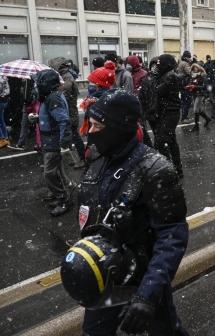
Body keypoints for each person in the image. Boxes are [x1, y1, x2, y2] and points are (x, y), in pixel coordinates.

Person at [75, 90, 189, 336]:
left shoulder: (156, 169)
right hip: (105, 274)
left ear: (117, 128)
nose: (89, 132)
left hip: (144, 277)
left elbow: (172, 235)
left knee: (166, 331)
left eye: (96, 126)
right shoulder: (96, 156)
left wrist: (147, 295)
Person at [31, 69, 74, 216]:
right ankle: (62, 196)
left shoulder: (53, 98)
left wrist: (63, 143)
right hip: (49, 140)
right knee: (56, 171)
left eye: (38, 82)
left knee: (49, 173)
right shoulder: (49, 96)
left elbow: (63, 120)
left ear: (46, 83)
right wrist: (37, 119)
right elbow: (52, 118)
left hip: (53, 141)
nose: (36, 85)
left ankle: (64, 199)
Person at [138, 54, 184, 178]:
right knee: (171, 141)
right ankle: (177, 168)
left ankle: (167, 170)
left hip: (170, 113)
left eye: (159, 64)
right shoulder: (161, 76)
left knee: (161, 141)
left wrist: (152, 77)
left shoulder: (171, 76)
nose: (157, 66)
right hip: (161, 112)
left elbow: (158, 90)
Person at [49, 57, 87, 169]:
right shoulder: (63, 76)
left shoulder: (66, 78)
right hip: (68, 112)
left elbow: (63, 95)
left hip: (70, 113)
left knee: (75, 136)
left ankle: (83, 159)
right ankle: (63, 160)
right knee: (68, 136)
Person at [186, 63, 211, 132]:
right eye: (194, 68)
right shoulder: (193, 75)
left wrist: (195, 87)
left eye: (196, 67)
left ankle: (196, 126)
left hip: (200, 94)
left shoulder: (202, 75)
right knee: (198, 109)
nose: (194, 69)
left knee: (195, 109)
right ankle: (207, 118)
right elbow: (192, 83)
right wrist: (190, 86)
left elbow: (204, 86)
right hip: (194, 93)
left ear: (199, 68)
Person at [177, 51, 193, 123]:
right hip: (186, 85)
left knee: (184, 101)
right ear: (186, 57)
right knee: (187, 101)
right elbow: (189, 72)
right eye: (189, 57)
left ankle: (184, 117)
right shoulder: (185, 63)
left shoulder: (180, 62)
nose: (190, 58)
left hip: (181, 85)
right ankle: (184, 117)